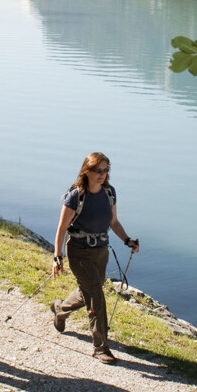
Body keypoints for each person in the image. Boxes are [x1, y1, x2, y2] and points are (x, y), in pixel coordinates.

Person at [49, 152, 139, 364]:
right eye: (98, 170)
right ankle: (101, 347)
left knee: (87, 291)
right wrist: (57, 257)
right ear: (86, 171)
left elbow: (114, 222)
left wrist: (127, 240)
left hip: (101, 251)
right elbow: (61, 229)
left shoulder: (109, 193)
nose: (103, 175)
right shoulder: (75, 196)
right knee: (96, 296)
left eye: (106, 170)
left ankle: (60, 309)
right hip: (79, 252)